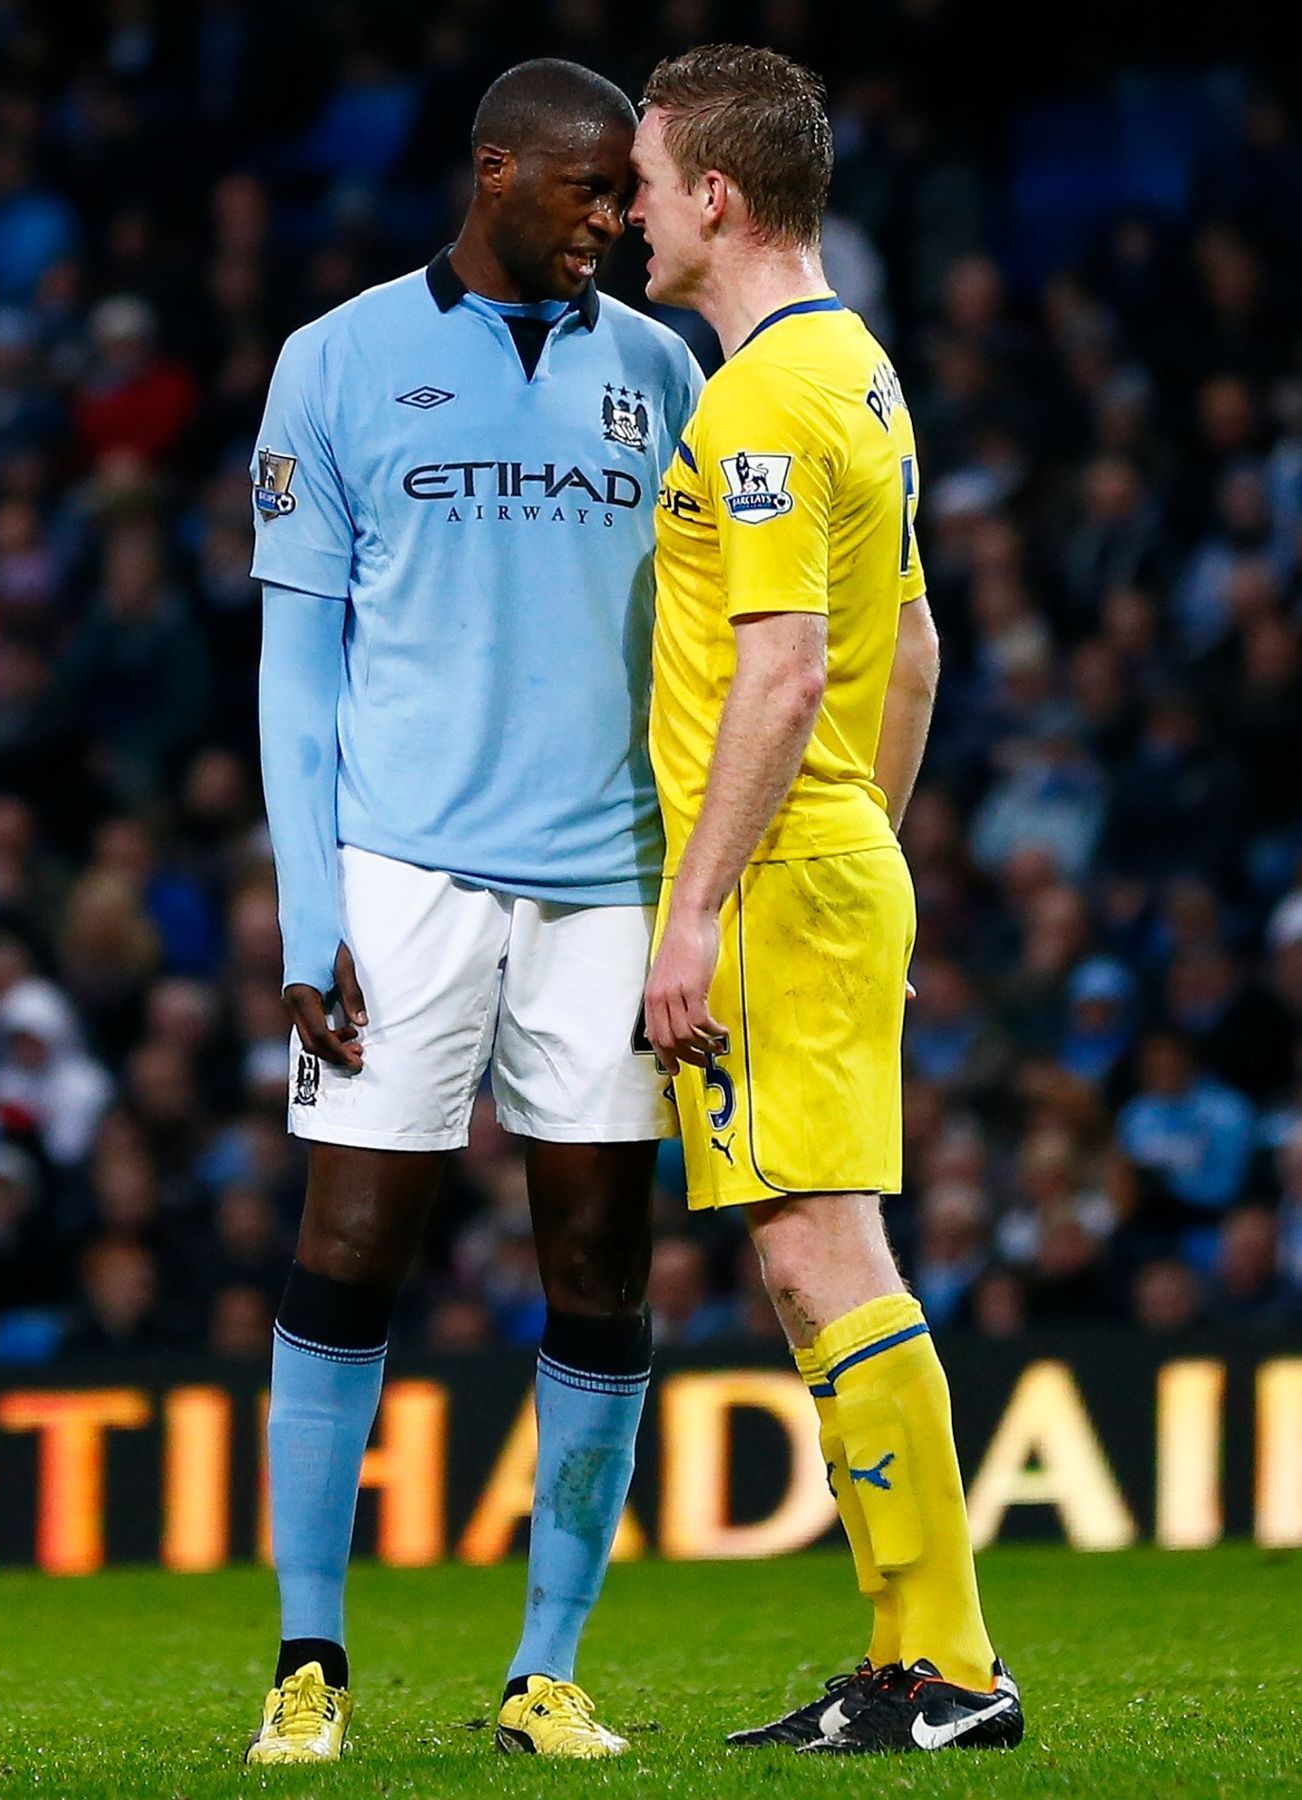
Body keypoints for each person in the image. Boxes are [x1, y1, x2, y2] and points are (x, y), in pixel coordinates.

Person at [245, 59, 702, 1764]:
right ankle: (308, 1661)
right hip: (406, 874)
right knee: (352, 1242)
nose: (613, 218)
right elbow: (299, 668)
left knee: (596, 1257)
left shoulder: (662, 371)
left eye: (624, 194)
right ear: (495, 170)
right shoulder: (338, 360)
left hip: (607, 880)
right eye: (587, 188)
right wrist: (310, 915)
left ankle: (547, 1671)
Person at [629, 45, 1022, 1756]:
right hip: (830, 853)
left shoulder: (757, 401)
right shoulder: (855, 368)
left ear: (713, 195)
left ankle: (941, 1667)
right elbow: (911, 654)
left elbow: (785, 676)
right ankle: (919, 1660)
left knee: (816, 1250)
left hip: (778, 869)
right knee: (813, 1256)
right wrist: (870, 843)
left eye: (645, 183)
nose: (631, 214)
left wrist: (699, 908)